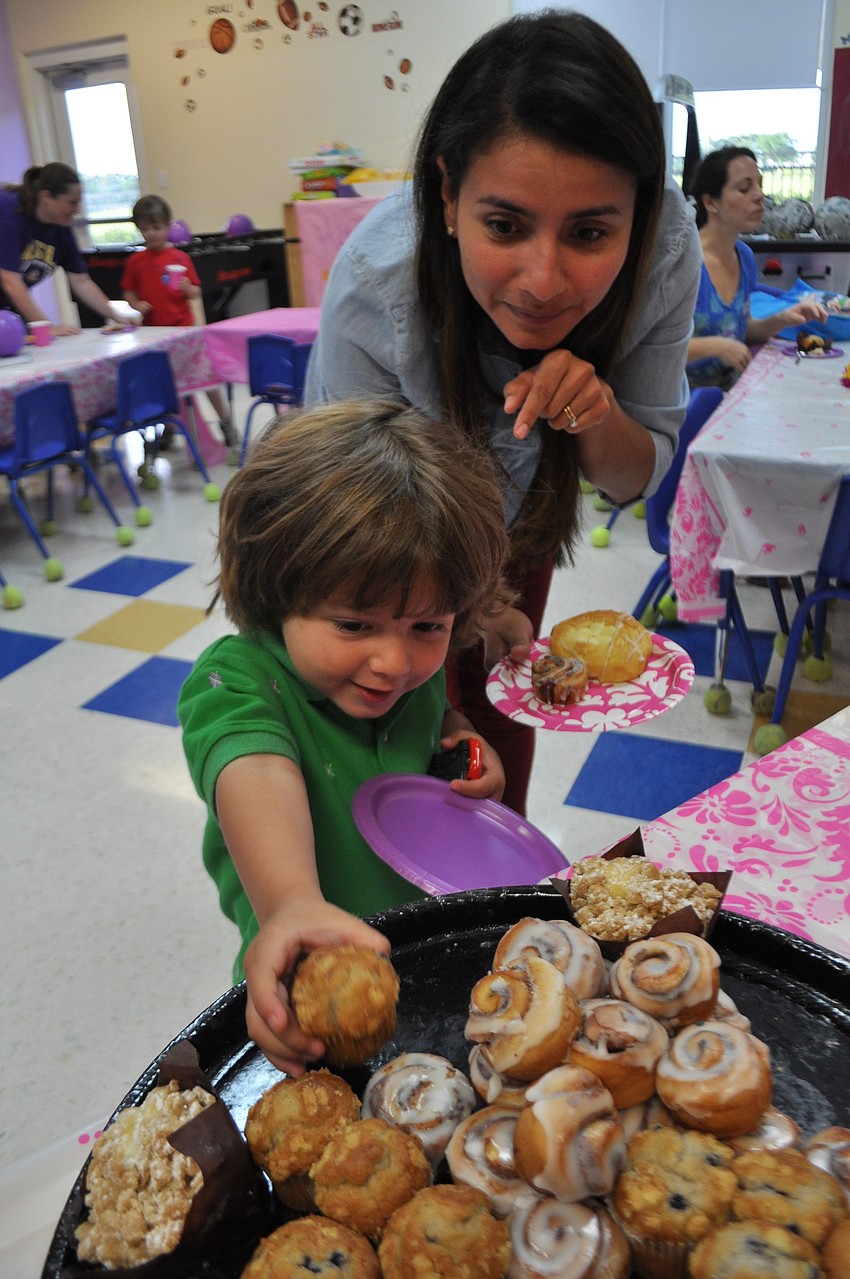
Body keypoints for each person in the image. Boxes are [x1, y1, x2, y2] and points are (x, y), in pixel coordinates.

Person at [305, 9, 703, 816]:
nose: (544, 280)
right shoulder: (379, 289)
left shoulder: (666, 250)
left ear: (640, 215)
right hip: (376, 549)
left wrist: (594, 411)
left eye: (591, 231)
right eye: (505, 225)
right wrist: (453, 613)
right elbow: (349, 543)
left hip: (515, 533)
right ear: (449, 195)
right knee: (398, 753)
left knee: (502, 719)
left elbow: (633, 475)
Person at [178, 399, 512, 1072]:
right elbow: (255, 768)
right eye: (355, 625)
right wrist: (292, 902)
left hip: (420, 949)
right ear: (280, 589)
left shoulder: (407, 667)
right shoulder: (238, 680)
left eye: (428, 626)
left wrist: (465, 739)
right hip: (306, 975)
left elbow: (439, 716)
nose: (395, 662)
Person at [687, 146, 827, 390]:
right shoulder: (684, 262)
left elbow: (741, 330)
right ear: (710, 202)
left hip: (730, 393)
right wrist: (718, 347)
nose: (760, 195)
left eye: (759, 185)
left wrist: (782, 319)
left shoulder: (744, 256)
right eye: (744, 188)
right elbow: (651, 350)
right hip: (686, 405)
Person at [122, 194, 237, 453]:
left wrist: (187, 288)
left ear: (168, 226)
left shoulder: (179, 259)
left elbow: (195, 292)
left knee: (204, 379)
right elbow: (129, 293)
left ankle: (226, 422)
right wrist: (137, 305)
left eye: (157, 227)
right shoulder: (135, 262)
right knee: (166, 384)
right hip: (154, 335)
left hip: (184, 332)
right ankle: (170, 427)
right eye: (145, 228)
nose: (151, 234)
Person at [0, 162, 139, 336]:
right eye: (72, 203)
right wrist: (47, 328)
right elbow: (9, 280)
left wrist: (117, 316)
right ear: (46, 197)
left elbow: (81, 281)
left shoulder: (61, 230)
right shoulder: (9, 211)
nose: (76, 210)